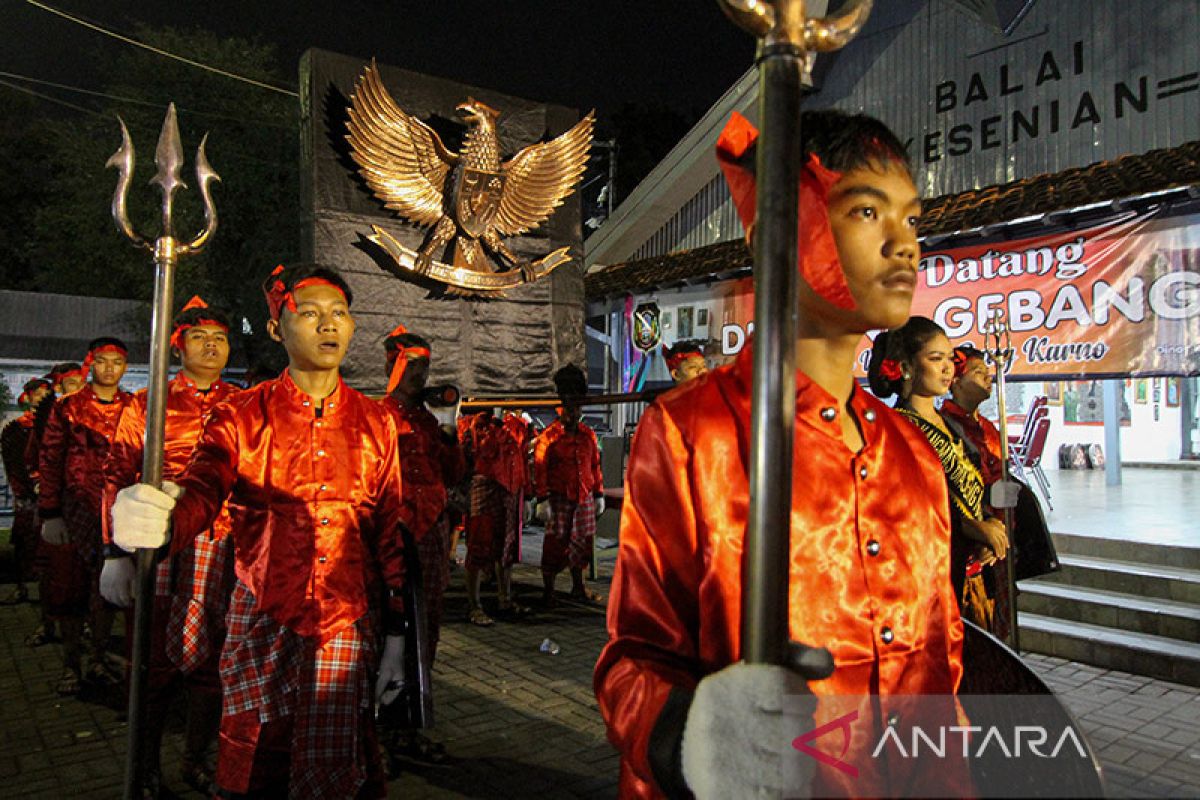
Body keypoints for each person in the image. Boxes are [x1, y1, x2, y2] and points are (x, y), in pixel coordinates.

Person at [595, 109, 972, 799]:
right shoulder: (693, 432)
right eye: (866, 211)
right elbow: (633, 661)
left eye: (912, 219)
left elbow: (939, 675)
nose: (905, 245)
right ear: (775, 233)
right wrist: (694, 735)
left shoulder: (914, 454)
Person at [111, 264, 408, 799]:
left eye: (338, 314)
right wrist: (158, 519)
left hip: (345, 621)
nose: (328, 326)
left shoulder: (376, 420)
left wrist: (396, 633)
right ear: (276, 330)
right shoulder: (241, 414)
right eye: (310, 313)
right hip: (263, 611)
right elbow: (203, 489)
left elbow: (388, 530)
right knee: (257, 765)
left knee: (337, 763)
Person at [100, 297, 241, 797]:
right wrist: (114, 552)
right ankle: (145, 768)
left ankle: (196, 760)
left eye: (220, 338)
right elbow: (117, 474)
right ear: (178, 345)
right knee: (153, 662)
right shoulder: (148, 402)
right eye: (200, 337)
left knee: (213, 663)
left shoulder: (241, 403)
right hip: (159, 546)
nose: (211, 346)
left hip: (222, 547)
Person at [868, 317, 1009, 633]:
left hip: (972, 576)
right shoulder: (896, 429)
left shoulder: (952, 425)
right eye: (935, 359)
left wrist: (991, 526)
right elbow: (898, 513)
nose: (947, 368)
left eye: (949, 359)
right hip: (930, 579)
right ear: (905, 367)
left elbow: (974, 484)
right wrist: (968, 528)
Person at [378, 324, 465, 765]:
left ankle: (413, 727)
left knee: (426, 629)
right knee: (387, 631)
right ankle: (381, 732)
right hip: (390, 535)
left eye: (425, 364)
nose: (420, 373)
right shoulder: (375, 418)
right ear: (390, 365)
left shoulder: (432, 420)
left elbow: (453, 474)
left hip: (428, 533)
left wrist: (450, 432)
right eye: (411, 363)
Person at [38, 338, 132, 695]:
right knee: (72, 588)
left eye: (117, 363)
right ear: (90, 364)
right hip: (77, 506)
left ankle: (98, 654)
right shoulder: (69, 407)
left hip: (118, 510)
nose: (109, 369)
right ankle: (71, 662)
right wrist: (50, 511)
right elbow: (50, 458)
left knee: (109, 589)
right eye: (103, 362)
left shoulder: (134, 407)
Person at [20, 362, 85, 647]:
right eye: (71, 384)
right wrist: (45, 496)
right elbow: (36, 459)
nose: (79, 389)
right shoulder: (49, 416)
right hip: (56, 504)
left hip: (89, 506)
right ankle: (47, 623)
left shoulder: (97, 411)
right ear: (59, 388)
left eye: (81, 382)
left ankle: (89, 640)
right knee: (53, 570)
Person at [533, 365, 605, 606]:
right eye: (569, 409)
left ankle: (578, 587)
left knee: (583, 543)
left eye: (576, 409)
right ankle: (549, 591)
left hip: (583, 497)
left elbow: (595, 466)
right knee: (554, 545)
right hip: (559, 499)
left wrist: (599, 494)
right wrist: (542, 499)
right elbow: (540, 470)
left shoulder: (588, 435)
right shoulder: (549, 438)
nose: (573, 414)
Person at [461, 406, 530, 625]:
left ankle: (505, 598)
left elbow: (521, 460)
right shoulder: (471, 426)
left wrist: (527, 495)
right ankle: (474, 605)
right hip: (485, 489)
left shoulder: (516, 426)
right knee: (478, 547)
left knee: (506, 547)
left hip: (510, 490)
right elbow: (466, 459)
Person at [0, 379, 52, 605]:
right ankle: (22, 586)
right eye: (37, 394)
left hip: (50, 491)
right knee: (24, 540)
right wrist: (21, 489)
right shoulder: (16, 427)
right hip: (27, 492)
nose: (41, 398)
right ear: (28, 397)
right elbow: (12, 461)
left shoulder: (56, 423)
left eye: (46, 394)